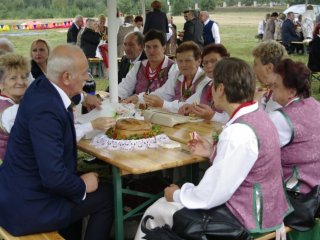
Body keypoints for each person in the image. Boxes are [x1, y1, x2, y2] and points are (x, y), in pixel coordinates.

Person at [135, 57, 291, 240]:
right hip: (268, 209)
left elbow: (212, 194)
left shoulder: (238, 132)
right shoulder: (260, 116)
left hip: (247, 219)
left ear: (221, 89)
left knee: (158, 209)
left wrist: (177, 194)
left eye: (213, 85)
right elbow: (245, 164)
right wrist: (212, 151)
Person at [0, 45, 115, 239]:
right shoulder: (46, 111)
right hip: (27, 208)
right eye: (84, 72)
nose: (88, 77)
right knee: (107, 196)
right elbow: (53, 176)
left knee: (87, 190)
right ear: (66, 78)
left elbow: (73, 97)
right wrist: (81, 185)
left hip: (19, 191)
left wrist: (85, 97)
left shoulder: (41, 87)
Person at [269, 59, 320, 229]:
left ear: (291, 92)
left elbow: (253, 151)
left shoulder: (281, 118)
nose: (270, 88)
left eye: (275, 86)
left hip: (297, 200)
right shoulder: (316, 105)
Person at [142, 41, 211, 113]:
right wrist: (140, 98)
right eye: (180, 61)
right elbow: (163, 93)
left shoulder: (206, 80)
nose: (183, 64)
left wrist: (163, 104)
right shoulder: (177, 74)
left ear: (199, 61)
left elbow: (190, 106)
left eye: (188, 61)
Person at [119, 29, 176, 102]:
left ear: (164, 48)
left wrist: (139, 98)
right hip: (136, 110)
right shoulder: (139, 65)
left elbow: (167, 93)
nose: (151, 51)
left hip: (160, 111)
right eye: (148, 47)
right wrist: (117, 96)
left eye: (155, 47)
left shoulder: (172, 68)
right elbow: (125, 86)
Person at [178, 43, 229, 123]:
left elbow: (235, 119)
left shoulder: (234, 88)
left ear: (226, 61)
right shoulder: (207, 85)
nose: (208, 65)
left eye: (213, 61)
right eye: (205, 62)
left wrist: (212, 115)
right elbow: (189, 103)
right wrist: (187, 107)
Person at [0, 54, 30, 163]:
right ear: (1, 84)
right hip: (9, 169)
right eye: (13, 78)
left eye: (23, 77)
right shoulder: (9, 111)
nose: (21, 82)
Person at [252, 40, 287, 112]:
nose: (253, 68)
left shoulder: (280, 97)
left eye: (256, 64)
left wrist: (255, 104)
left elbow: (265, 122)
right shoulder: (276, 88)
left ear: (269, 68)